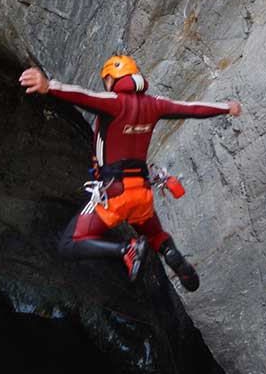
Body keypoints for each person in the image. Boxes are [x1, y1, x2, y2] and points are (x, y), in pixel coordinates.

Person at [19, 55, 241, 291]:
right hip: (142, 195)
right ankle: (170, 252)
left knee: (68, 244)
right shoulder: (155, 104)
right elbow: (190, 108)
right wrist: (227, 107)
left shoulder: (114, 102)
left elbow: (82, 96)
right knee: (155, 235)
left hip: (114, 195)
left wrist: (49, 86)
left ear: (110, 78)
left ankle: (126, 249)